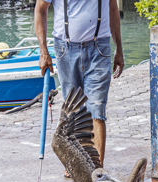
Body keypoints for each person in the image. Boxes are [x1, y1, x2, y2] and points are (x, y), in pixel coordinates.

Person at [35, 0, 124, 167]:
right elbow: (40, 10)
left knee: (96, 108)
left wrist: (119, 48)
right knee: (74, 111)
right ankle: (75, 164)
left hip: (99, 47)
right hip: (65, 49)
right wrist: (43, 51)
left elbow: (113, 9)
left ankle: (96, 169)